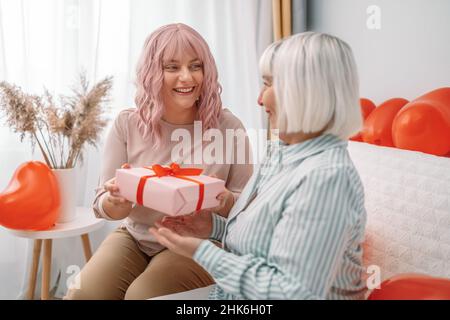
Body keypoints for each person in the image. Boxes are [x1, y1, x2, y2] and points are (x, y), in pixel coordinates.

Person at [150, 32, 368, 300]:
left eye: (268, 85)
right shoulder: (281, 153)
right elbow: (266, 240)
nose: (260, 99)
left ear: (303, 92)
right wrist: (211, 228)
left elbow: (292, 293)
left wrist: (202, 252)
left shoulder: (327, 177)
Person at [65, 23, 253, 300]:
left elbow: (248, 210)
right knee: (83, 293)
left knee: (143, 295)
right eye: (172, 67)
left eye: (196, 66)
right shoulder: (127, 124)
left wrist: (222, 200)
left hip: (198, 242)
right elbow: (102, 205)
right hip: (137, 237)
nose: (187, 77)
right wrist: (117, 201)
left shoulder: (229, 127)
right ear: (153, 73)